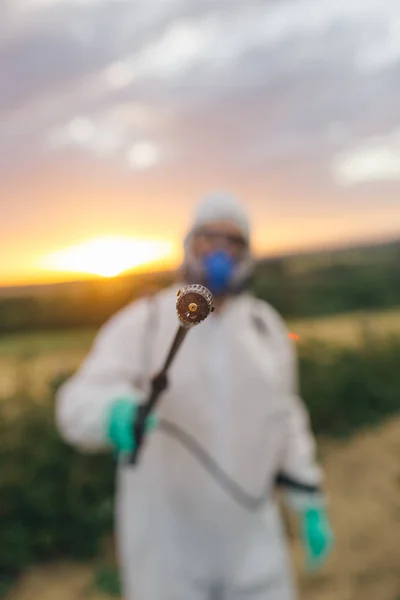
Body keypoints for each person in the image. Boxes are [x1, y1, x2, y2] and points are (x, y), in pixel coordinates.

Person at [55, 192, 334, 600]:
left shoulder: (266, 327)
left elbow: (286, 416)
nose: (220, 251)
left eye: (233, 242)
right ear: (188, 245)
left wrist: (308, 498)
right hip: (169, 548)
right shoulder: (145, 320)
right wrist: (113, 413)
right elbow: (76, 403)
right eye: (209, 238)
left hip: (253, 540)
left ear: (247, 255)